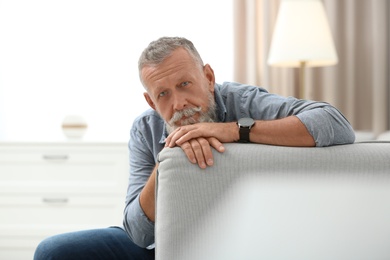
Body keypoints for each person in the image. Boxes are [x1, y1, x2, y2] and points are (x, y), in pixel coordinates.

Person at [34, 36, 355, 259]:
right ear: (150, 100)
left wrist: (230, 131)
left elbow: (334, 123)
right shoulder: (145, 128)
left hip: (246, 239)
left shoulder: (243, 101)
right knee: (53, 252)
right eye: (163, 94)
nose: (179, 103)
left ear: (209, 77)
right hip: (165, 246)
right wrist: (168, 162)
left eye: (185, 84)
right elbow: (137, 232)